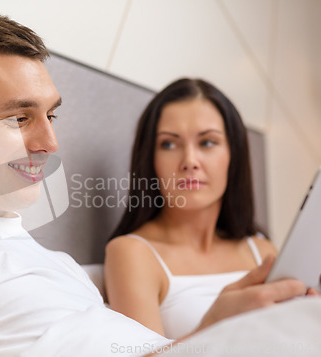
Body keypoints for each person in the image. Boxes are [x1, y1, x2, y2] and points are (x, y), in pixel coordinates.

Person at [0, 13, 316, 357]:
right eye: (20, 118)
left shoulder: (58, 266)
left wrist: (218, 327)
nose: (50, 143)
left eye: (51, 115)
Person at [104, 78, 277, 339]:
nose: (190, 161)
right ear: (150, 160)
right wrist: (214, 321)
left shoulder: (261, 251)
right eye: (169, 144)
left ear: (234, 155)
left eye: (207, 142)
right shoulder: (132, 253)